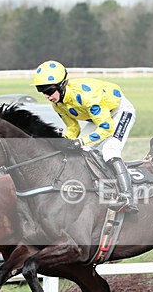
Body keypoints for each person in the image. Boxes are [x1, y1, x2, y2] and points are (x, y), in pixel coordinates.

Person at [31, 60, 138, 213]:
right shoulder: (57, 104)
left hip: (119, 111)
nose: (47, 96)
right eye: (42, 92)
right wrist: (61, 141)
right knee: (82, 150)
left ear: (62, 85)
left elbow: (106, 128)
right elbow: (73, 128)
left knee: (110, 149)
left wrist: (80, 141)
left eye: (49, 91)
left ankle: (127, 197)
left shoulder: (87, 97)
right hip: (98, 118)